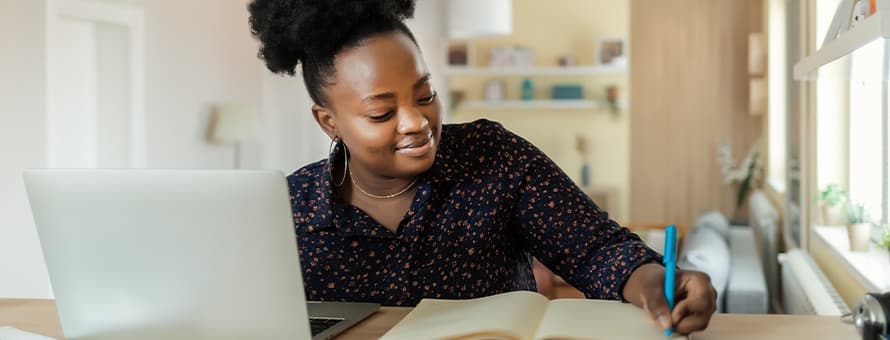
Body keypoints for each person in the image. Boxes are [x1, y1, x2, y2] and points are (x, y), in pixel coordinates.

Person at [247, 0, 716, 334]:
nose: (417, 123)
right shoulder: (287, 208)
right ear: (329, 121)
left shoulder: (495, 158)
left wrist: (654, 280)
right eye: (382, 113)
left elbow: (595, 250)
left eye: (425, 95)